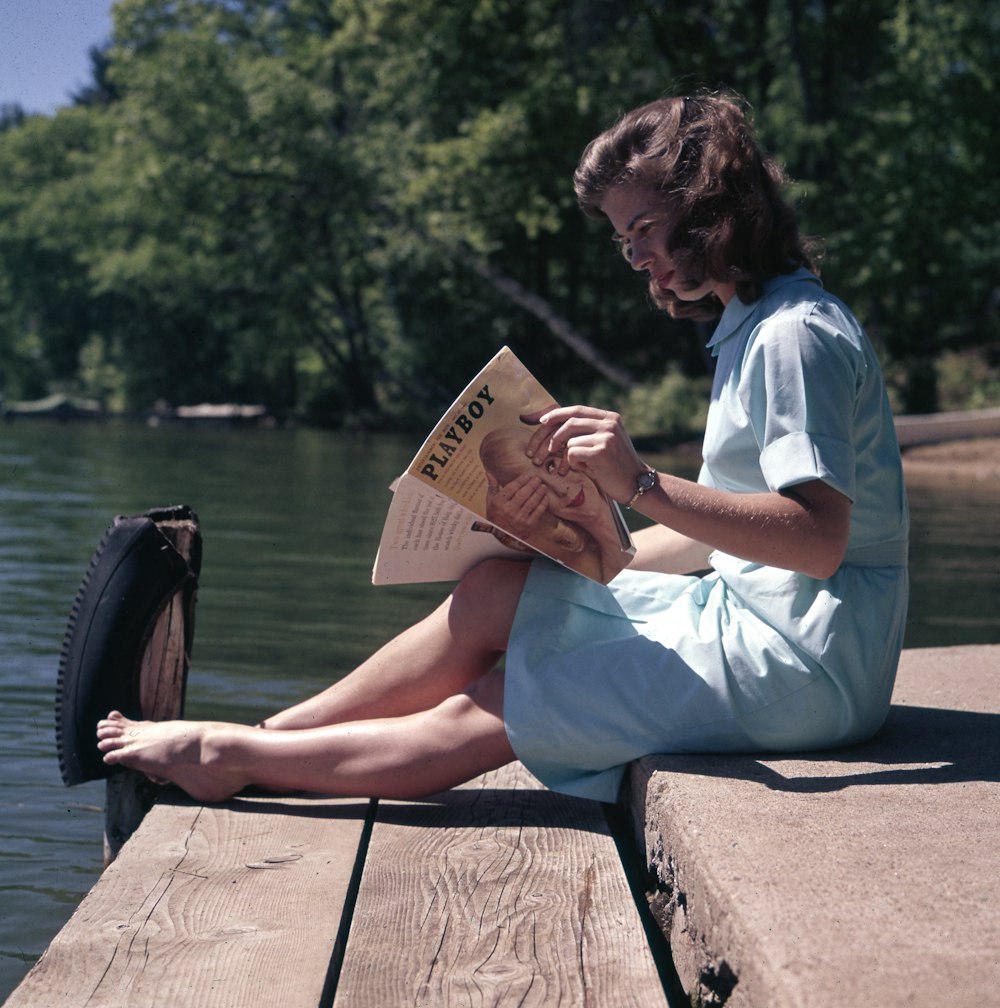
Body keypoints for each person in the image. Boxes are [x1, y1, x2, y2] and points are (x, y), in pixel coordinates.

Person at [97, 92, 909, 805]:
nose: (634, 256)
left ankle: (228, 757)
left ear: (710, 204)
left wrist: (641, 483)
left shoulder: (793, 337)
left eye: (644, 227)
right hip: (762, 624)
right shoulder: (755, 327)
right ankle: (270, 732)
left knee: (508, 694)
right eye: (623, 237)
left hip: (808, 668)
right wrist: (587, 550)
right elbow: (719, 529)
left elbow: (817, 539)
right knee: (495, 588)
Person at [479, 423, 627, 583]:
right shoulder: (581, 568)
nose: (560, 489)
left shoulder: (637, 496)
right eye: (538, 488)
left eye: (551, 465)